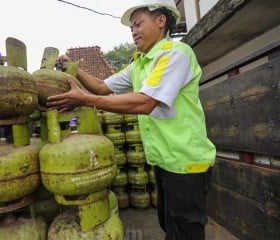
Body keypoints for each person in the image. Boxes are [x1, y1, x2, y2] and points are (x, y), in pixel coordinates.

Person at [47, 0, 216, 239]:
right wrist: (72, 68)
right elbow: (102, 87)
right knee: (170, 225)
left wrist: (84, 99)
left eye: (138, 24)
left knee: (185, 231)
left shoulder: (174, 54)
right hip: (165, 162)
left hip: (186, 162)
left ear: (161, 21)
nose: (134, 31)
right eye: (131, 29)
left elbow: (145, 102)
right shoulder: (140, 64)